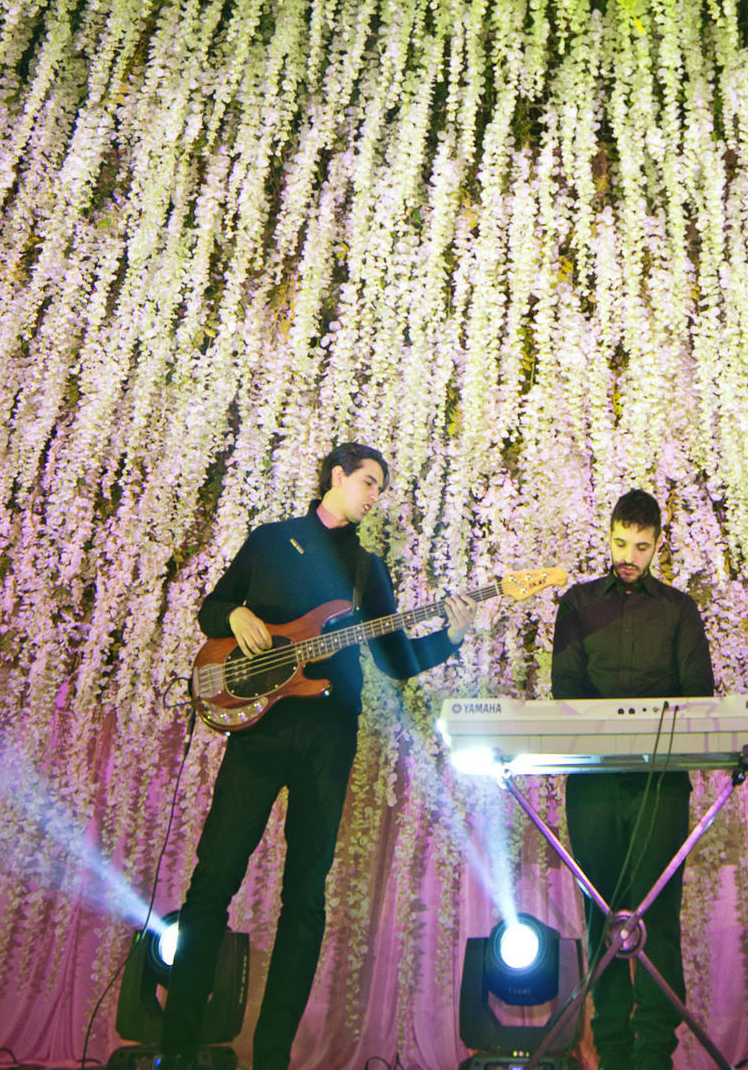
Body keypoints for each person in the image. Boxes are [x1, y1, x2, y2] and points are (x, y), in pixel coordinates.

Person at [158, 442, 480, 1070]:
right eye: (366, 482)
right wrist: (238, 613)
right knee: (211, 882)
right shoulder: (272, 541)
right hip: (258, 732)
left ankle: (272, 1056)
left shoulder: (369, 573)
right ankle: (179, 1048)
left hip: (329, 736)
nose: (372, 495)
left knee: (305, 896)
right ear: (336, 477)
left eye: (379, 488)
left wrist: (453, 635)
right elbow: (210, 609)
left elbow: (396, 663)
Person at [549, 488, 715, 1070]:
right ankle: (613, 1054)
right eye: (621, 543)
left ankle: (655, 1058)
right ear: (609, 534)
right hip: (592, 784)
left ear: (657, 545)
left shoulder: (678, 610)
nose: (628, 555)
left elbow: (699, 697)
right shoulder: (575, 605)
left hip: (659, 786)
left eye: (641, 546)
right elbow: (565, 693)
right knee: (602, 915)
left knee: (658, 917)